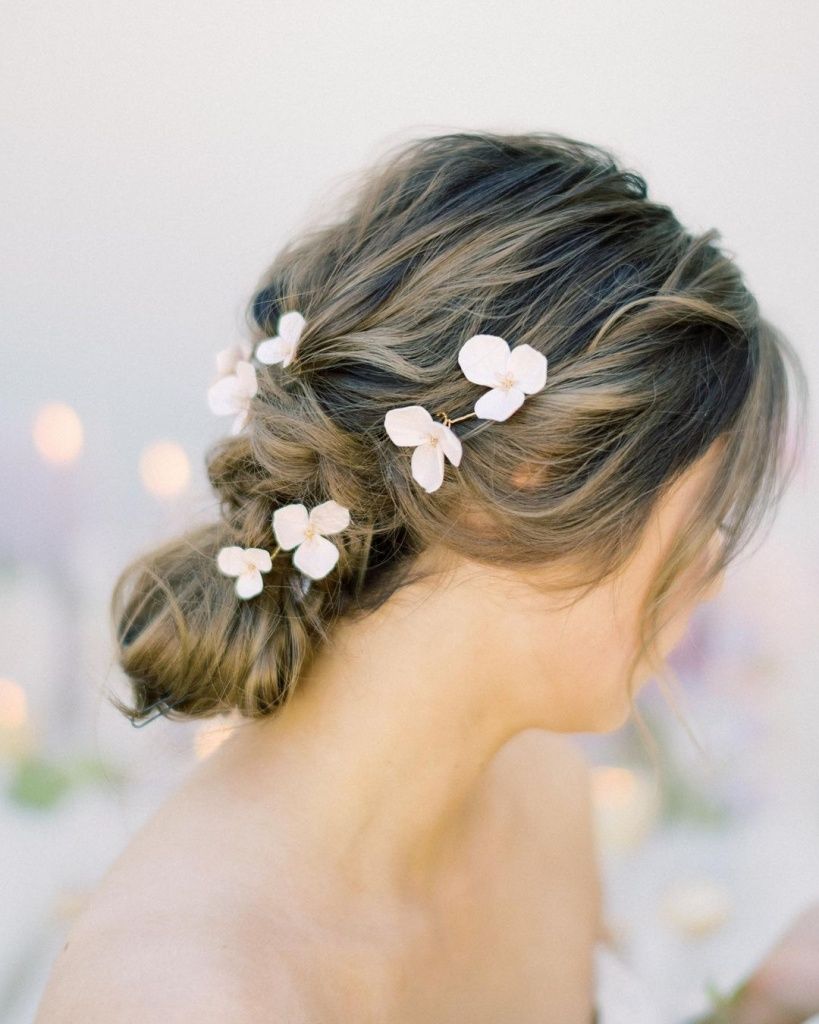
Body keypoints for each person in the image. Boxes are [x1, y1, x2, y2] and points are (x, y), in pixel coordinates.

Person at [35, 131, 814, 1023]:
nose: (710, 570)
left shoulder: (539, 794)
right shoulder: (183, 999)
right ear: (526, 482)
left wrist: (756, 1004)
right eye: (699, 508)